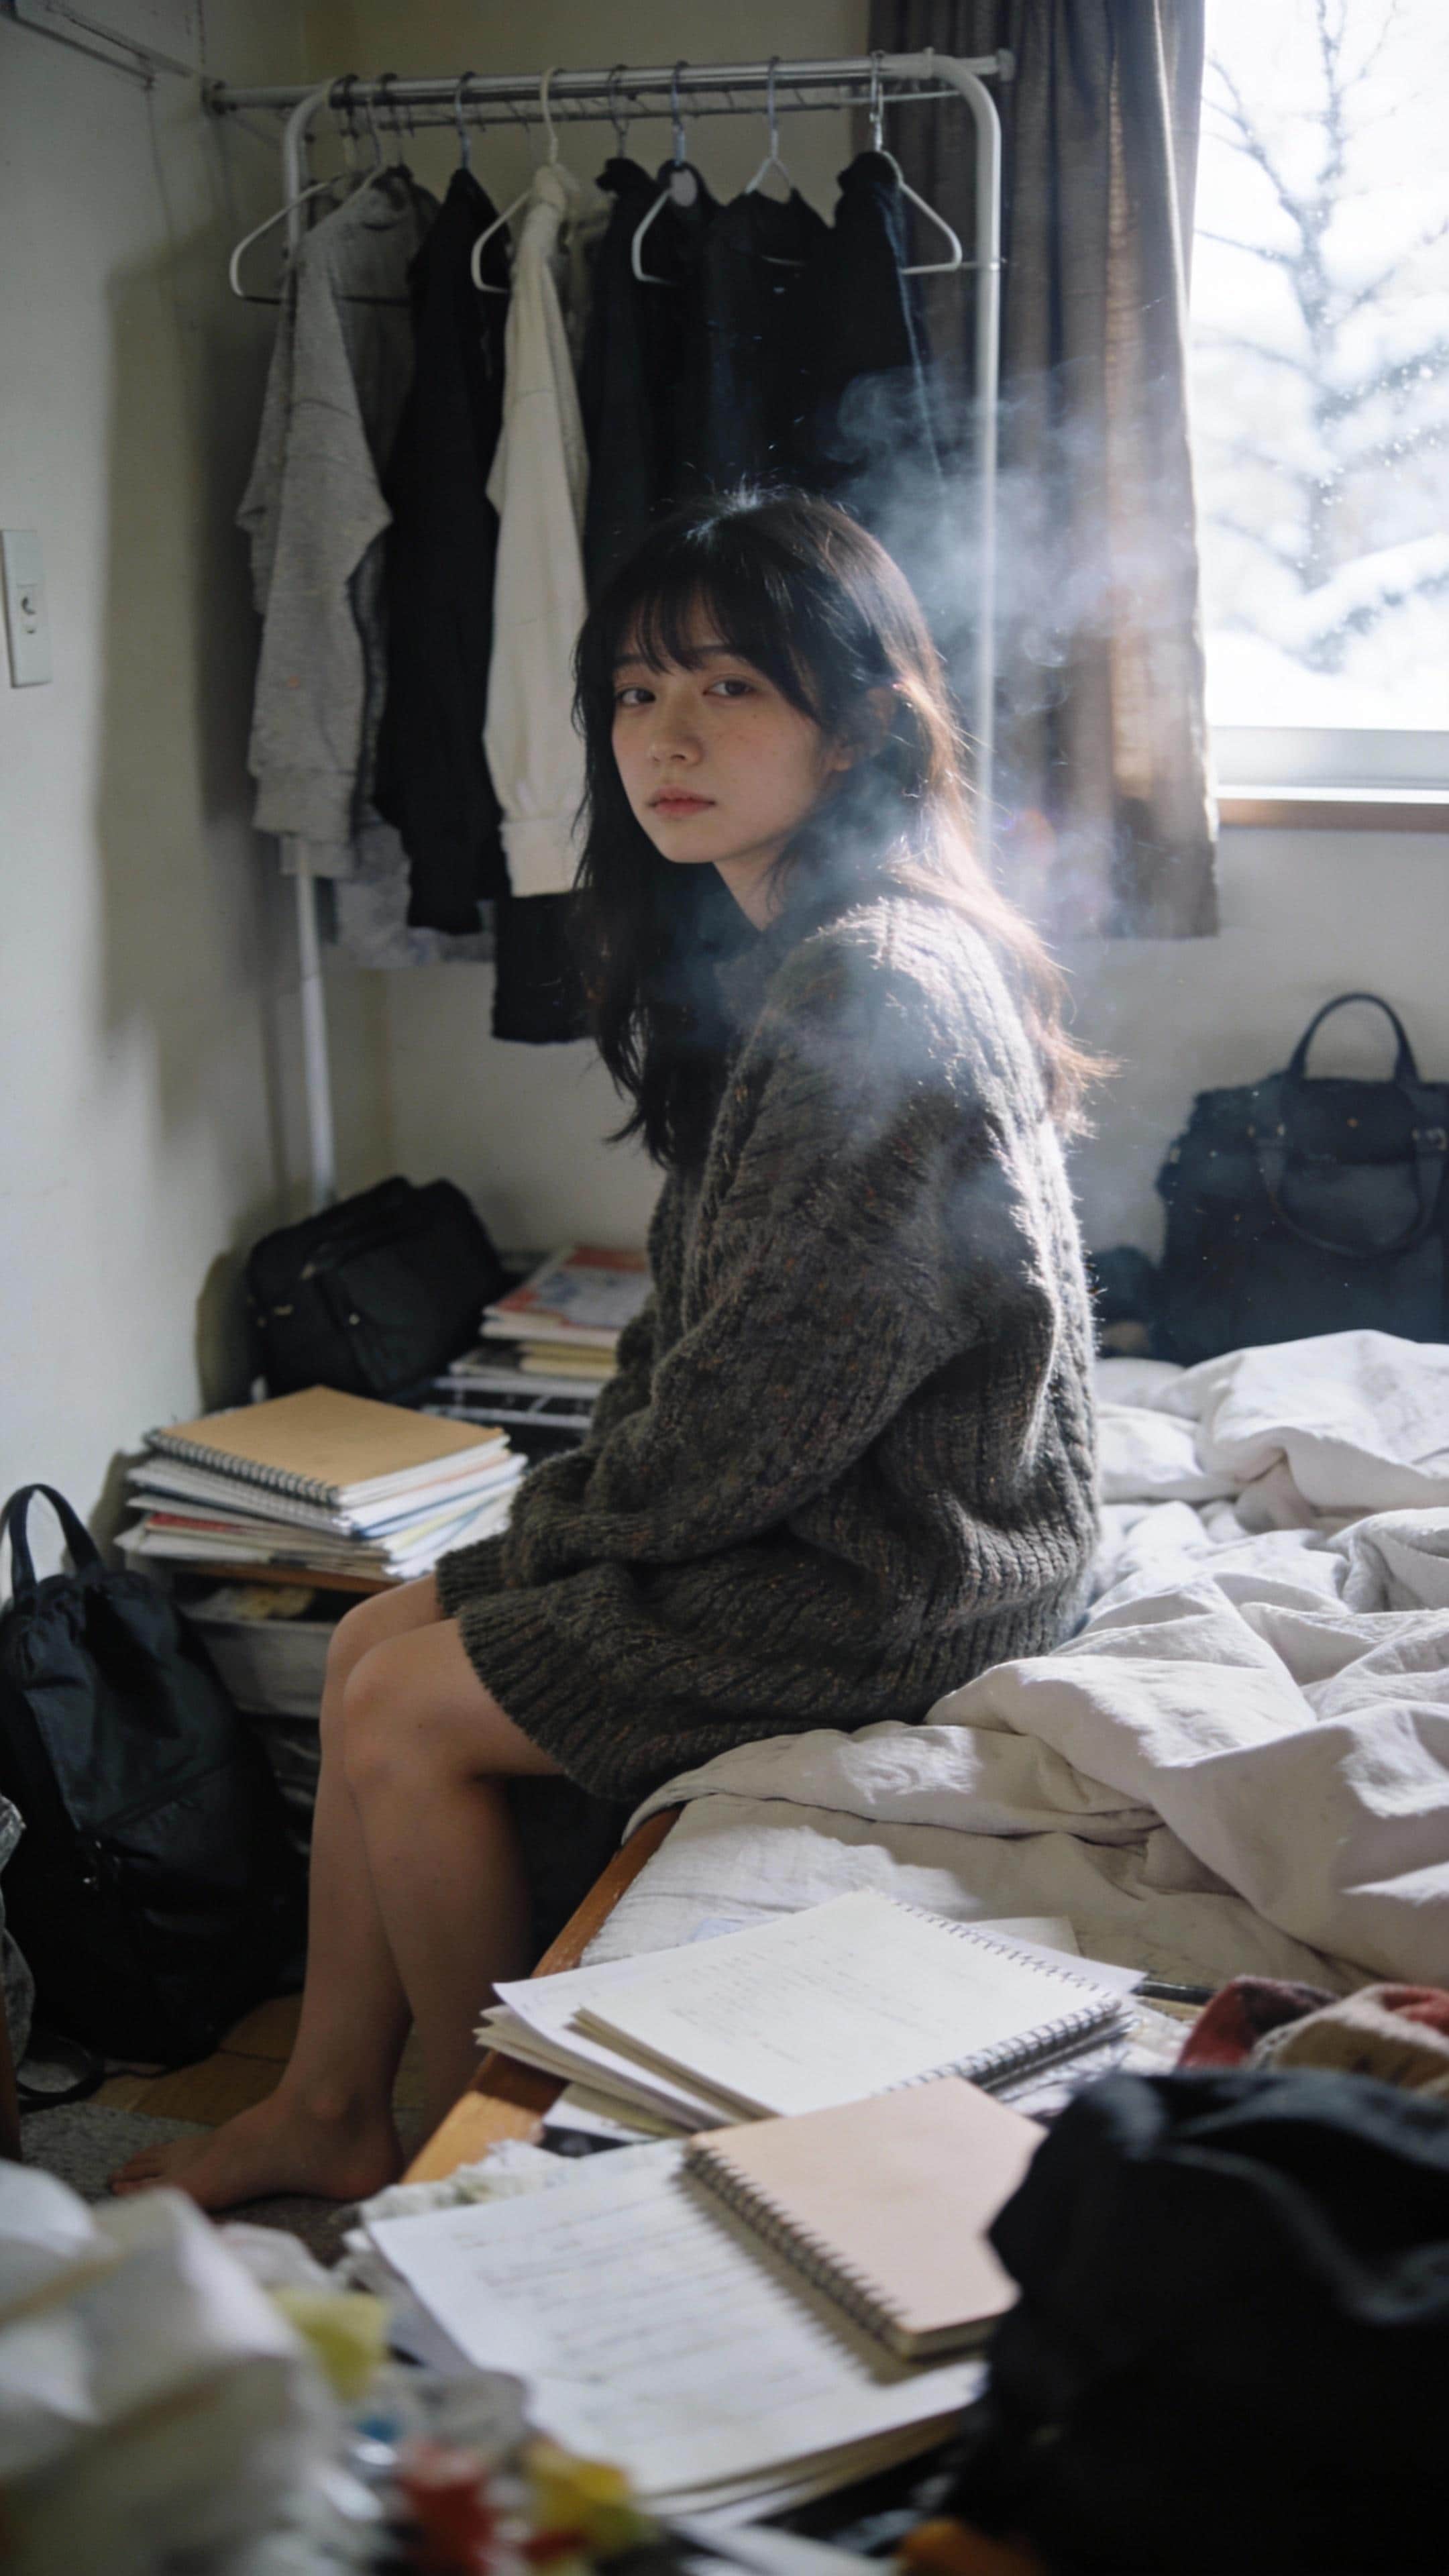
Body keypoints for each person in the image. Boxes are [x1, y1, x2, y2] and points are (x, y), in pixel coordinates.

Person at [113, 490, 1101, 2213]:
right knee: (376, 1642)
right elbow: (693, 1332)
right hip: (838, 1514)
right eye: (637, 693)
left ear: (858, 724)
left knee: (408, 1704)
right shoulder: (800, 953)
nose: (667, 738)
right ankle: (327, 2103)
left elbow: (754, 1425)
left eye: (730, 687)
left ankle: (457, 2145)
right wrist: (535, 1538)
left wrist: (540, 1546)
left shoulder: (871, 982)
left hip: (906, 1564)